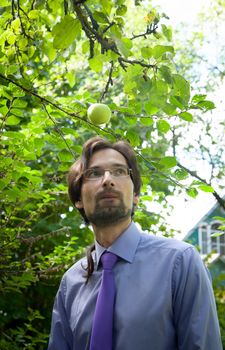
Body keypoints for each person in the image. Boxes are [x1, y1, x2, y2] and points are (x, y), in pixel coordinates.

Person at [48, 136, 222, 350]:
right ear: (78, 200)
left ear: (136, 195)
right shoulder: (70, 284)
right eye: (94, 173)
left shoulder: (180, 263)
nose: (107, 180)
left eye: (119, 171)